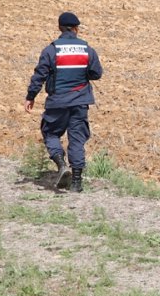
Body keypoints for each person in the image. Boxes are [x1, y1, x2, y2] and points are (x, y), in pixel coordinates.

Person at [24, 12, 103, 193]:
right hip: (80, 102)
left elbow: (39, 76)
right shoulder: (87, 50)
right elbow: (97, 73)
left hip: (57, 102)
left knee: (50, 133)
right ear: (76, 29)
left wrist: (31, 96)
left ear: (59, 28)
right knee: (77, 139)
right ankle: (76, 183)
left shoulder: (51, 50)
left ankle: (61, 164)